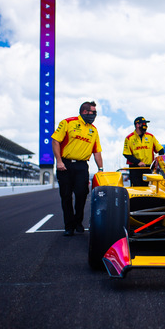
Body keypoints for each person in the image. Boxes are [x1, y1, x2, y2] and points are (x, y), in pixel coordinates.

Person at [52, 101, 103, 236]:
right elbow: (56, 141)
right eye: (93, 112)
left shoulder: (94, 130)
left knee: (82, 194)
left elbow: (97, 151)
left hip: (82, 166)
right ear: (85, 112)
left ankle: (78, 221)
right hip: (65, 165)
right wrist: (59, 161)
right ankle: (69, 226)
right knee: (66, 196)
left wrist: (101, 169)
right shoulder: (68, 123)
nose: (94, 115)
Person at [123, 116, 165, 186]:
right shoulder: (129, 138)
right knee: (137, 190)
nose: (145, 126)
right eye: (143, 124)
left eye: (146, 124)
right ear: (137, 125)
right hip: (135, 169)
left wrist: (159, 161)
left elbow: (160, 149)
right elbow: (126, 154)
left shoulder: (150, 137)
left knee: (149, 190)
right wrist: (138, 162)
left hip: (148, 168)